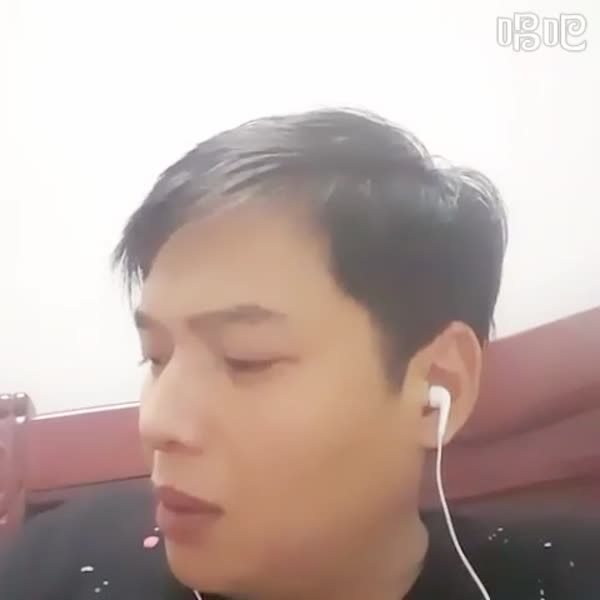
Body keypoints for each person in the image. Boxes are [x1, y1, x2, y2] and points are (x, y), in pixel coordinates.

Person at [0, 108, 598, 599]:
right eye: (156, 358)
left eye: (245, 359)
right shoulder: (62, 560)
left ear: (438, 387)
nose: (156, 422)